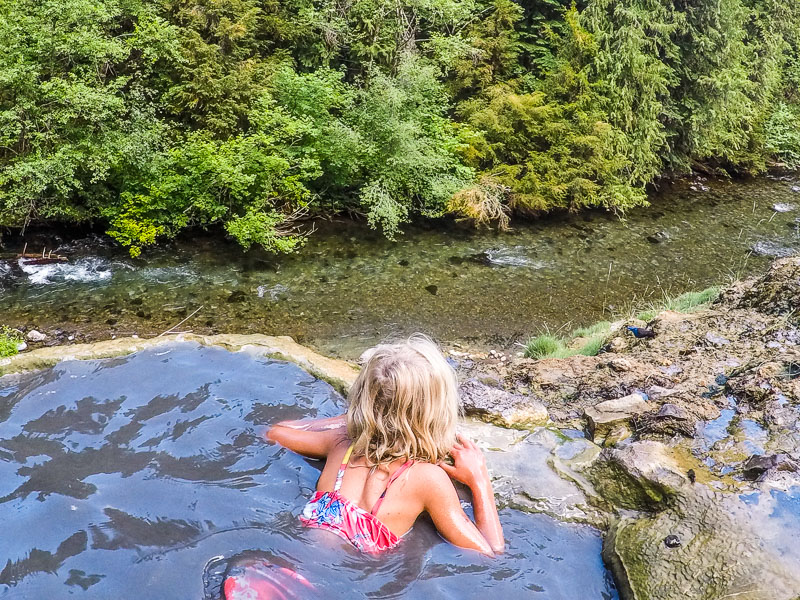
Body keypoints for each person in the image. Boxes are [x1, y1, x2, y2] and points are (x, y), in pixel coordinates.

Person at [266, 335, 504, 556]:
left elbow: (276, 432)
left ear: (362, 398)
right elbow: (490, 552)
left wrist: (350, 419)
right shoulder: (427, 480)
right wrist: (479, 479)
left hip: (296, 555)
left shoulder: (341, 444)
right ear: (434, 413)